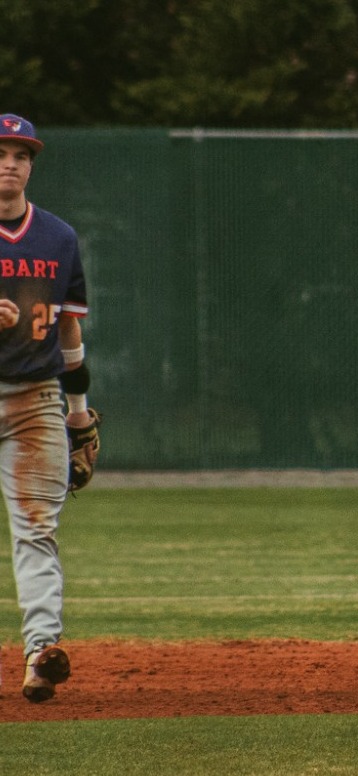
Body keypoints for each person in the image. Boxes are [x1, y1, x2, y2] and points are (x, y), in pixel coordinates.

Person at [0, 113, 99, 703]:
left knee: (37, 531)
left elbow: (69, 334)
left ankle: (42, 652)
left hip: (37, 399)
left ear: (32, 166)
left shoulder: (58, 238)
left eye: (21, 153)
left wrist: (79, 409)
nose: (9, 162)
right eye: (1, 152)